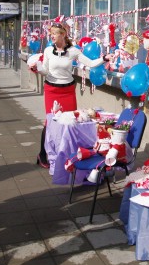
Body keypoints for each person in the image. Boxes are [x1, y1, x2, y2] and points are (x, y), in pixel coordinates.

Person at [34, 23, 112, 167]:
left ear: (63, 35)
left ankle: (66, 155)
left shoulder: (73, 51)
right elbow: (45, 70)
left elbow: (91, 63)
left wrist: (104, 58)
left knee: (70, 122)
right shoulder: (47, 51)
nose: (51, 36)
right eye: (51, 33)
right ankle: (43, 155)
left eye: (54, 33)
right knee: (50, 123)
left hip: (68, 91)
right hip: (52, 90)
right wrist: (37, 69)